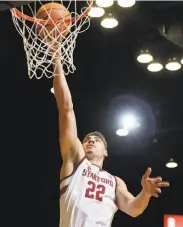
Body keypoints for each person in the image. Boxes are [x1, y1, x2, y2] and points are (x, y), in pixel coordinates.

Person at [53, 57, 169, 227]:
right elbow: (66, 109)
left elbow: (133, 208)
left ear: (105, 152)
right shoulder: (76, 162)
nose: (91, 140)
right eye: (87, 140)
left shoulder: (115, 181)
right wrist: (56, 59)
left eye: (97, 140)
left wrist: (145, 193)